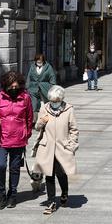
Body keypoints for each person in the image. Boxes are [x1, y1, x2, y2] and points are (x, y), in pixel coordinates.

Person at [0, 71, 34, 210]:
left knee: (14, 168)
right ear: (5, 85)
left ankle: (13, 194)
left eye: (16, 85)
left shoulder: (25, 98)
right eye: (11, 86)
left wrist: (27, 133)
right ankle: (1, 195)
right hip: (1, 138)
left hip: (19, 138)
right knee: (0, 166)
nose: (14, 88)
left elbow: (29, 118)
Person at [33, 85, 78, 215]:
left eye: (56, 100)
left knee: (61, 173)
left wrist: (71, 145)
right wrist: (42, 121)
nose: (54, 103)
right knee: (49, 175)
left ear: (61, 99)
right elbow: (37, 127)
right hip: (47, 147)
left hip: (62, 147)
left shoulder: (69, 109)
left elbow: (74, 129)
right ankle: (51, 201)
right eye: (52, 100)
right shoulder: (44, 108)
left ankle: (64, 193)